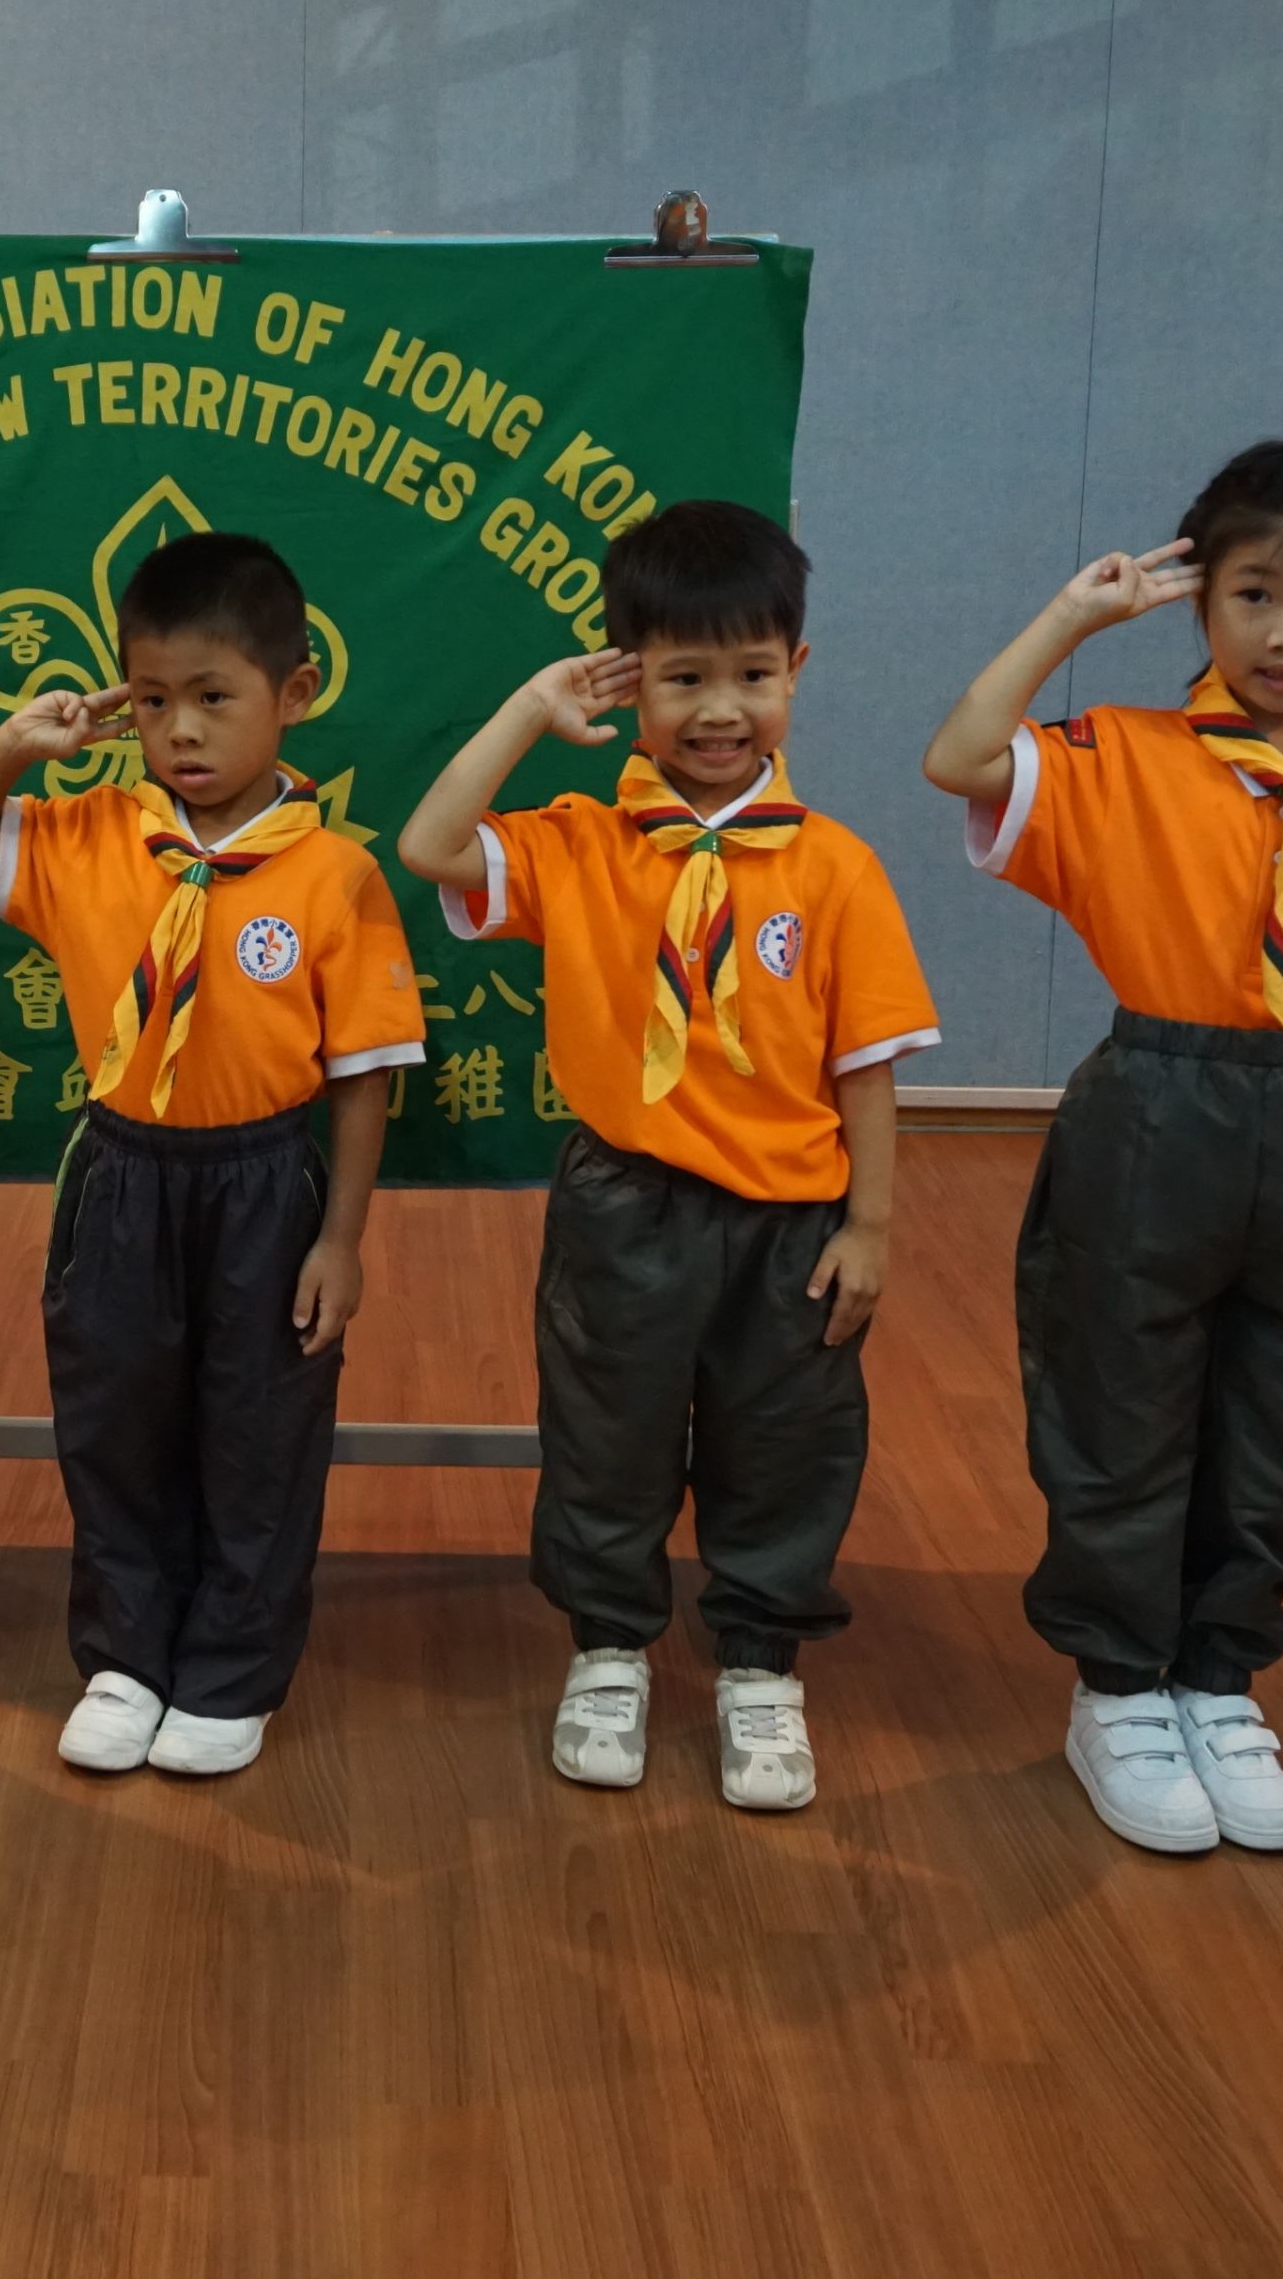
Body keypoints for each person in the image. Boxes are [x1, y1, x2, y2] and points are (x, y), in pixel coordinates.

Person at [922, 436, 1283, 1856]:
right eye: (1255, 592)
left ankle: (1219, 1677)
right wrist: (1070, 621)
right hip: (1157, 1107)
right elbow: (959, 757)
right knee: (1121, 1394)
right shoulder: (1123, 759)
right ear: (1201, 597)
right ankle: (1117, 1688)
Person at [399, 501, 938, 1812]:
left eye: (752, 675)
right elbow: (428, 846)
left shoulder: (835, 868)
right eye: (684, 678)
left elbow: (866, 1063)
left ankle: (760, 1664)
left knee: (786, 1443)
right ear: (628, 678)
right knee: (608, 1434)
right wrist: (529, 712)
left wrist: (871, 1226)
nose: (720, 711)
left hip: (792, 1221)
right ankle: (608, 1649)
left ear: (795, 671)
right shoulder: (581, 845)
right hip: (624, 1208)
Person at [0, 532, 424, 1778]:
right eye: (152, 702)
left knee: (259, 1433)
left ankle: (233, 1669)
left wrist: (342, 1241)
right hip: (121, 1178)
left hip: (265, 1182)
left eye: (213, 698)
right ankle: (126, 1657)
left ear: (293, 693)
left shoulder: (336, 875)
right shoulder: (94, 834)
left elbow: (364, 1077)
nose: (181, 732)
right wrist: (19, 744)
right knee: (115, 1420)